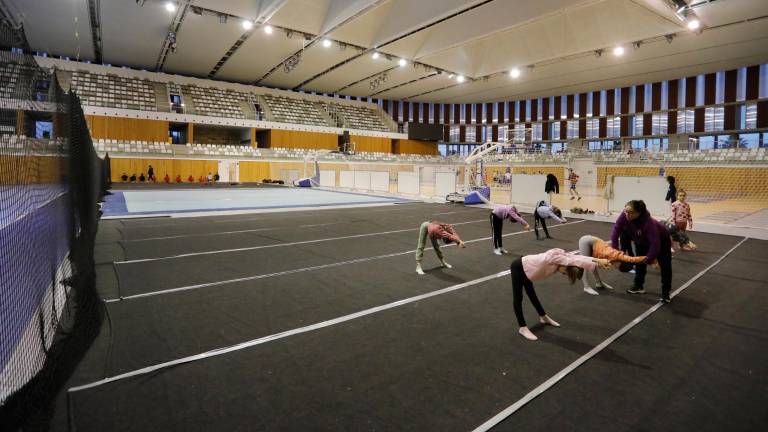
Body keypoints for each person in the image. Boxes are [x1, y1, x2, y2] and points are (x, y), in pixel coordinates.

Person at [511, 248, 611, 340]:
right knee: (518, 298)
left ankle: (543, 317)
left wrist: (597, 260)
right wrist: (598, 263)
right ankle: (522, 328)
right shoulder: (553, 258)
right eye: (565, 272)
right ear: (564, 264)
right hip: (518, 268)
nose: (563, 274)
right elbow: (573, 261)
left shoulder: (563, 257)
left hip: (527, 270)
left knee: (532, 295)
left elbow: (579, 257)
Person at [610, 200, 673, 303]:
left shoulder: (648, 223)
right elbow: (616, 230)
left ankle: (665, 293)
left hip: (662, 241)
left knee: (665, 266)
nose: (627, 214)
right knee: (639, 264)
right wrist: (615, 251)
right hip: (641, 241)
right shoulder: (624, 215)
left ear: (639, 212)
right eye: (626, 211)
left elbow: (655, 245)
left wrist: (649, 260)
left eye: (631, 212)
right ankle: (638, 286)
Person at [577, 235, 647, 295]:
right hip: (586, 241)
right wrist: (598, 262)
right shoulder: (609, 254)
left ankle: (599, 283)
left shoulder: (621, 257)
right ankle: (586, 287)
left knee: (592, 264)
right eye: (617, 267)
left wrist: (650, 258)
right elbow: (595, 259)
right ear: (619, 262)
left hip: (594, 242)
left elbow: (632, 259)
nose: (615, 267)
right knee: (585, 263)